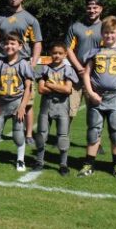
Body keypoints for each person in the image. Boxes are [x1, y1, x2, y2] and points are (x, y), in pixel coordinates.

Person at [77, 16, 116, 178]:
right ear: (101, 34)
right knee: (93, 131)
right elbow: (86, 75)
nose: (109, 36)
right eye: (106, 33)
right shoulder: (94, 52)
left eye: (112, 33)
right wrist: (91, 93)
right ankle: (89, 164)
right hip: (97, 98)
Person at [0, 0, 42, 145]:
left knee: (28, 102)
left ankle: (29, 133)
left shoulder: (30, 19)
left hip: (23, 63)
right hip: (3, 63)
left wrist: (33, 63)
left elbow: (37, 43)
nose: (13, 0)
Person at [0, 31, 34, 171]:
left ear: (20, 46)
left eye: (13, 43)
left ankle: (20, 160)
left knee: (18, 133)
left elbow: (28, 87)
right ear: (3, 46)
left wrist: (23, 106)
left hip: (17, 103)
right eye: (7, 43)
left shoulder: (23, 64)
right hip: (2, 103)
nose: (9, 46)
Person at [34, 43, 78, 176]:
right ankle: (39, 161)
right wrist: (58, 86)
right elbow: (41, 89)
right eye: (54, 53)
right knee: (41, 134)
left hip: (62, 107)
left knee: (63, 136)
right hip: (46, 107)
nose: (57, 55)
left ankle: (63, 164)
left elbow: (67, 89)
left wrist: (49, 84)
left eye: (60, 53)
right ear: (50, 54)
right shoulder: (44, 69)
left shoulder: (68, 70)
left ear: (65, 55)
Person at [65, 0, 103, 123]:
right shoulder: (75, 27)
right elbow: (68, 49)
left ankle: (95, 142)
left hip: (95, 76)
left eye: (95, 8)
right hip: (76, 75)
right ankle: (63, 139)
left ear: (101, 9)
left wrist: (89, 70)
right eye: (89, 8)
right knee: (69, 110)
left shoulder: (106, 28)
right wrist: (80, 68)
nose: (92, 10)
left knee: (95, 111)